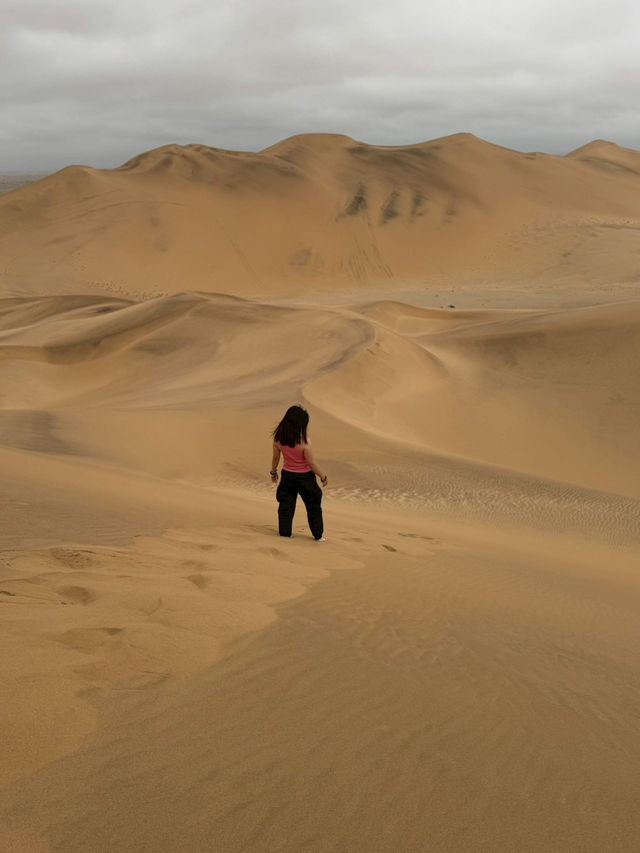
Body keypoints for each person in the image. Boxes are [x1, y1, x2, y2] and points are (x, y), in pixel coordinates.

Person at [270, 405, 328, 540]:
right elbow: (311, 463)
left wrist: (273, 472)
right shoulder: (305, 442)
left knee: (286, 506)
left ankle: (285, 534)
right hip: (305, 478)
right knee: (313, 505)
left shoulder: (278, 439)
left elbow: (276, 458)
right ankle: (318, 536)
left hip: (287, 476)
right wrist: (323, 476)